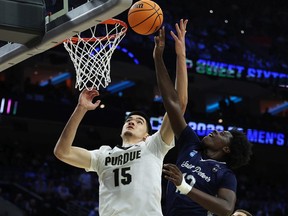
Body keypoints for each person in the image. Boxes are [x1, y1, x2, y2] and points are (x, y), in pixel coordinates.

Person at [53, 19, 188, 216]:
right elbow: (62, 152)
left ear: (146, 135)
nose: (132, 121)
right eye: (129, 120)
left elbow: (180, 105)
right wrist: (81, 108)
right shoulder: (102, 155)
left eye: (139, 121)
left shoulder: (153, 145)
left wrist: (180, 54)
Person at [153, 26, 253, 215]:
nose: (215, 131)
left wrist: (185, 187)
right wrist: (160, 58)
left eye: (223, 134)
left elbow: (226, 208)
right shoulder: (191, 144)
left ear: (226, 149)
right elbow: (173, 103)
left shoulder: (225, 174)